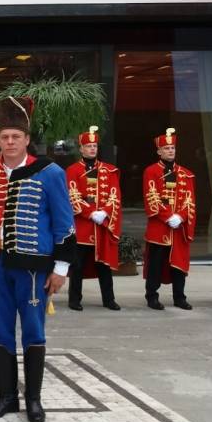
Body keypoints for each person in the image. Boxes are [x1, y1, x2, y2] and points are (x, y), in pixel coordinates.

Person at [0, 97, 76, 422]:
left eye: (16, 136)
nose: (10, 142)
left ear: (27, 139)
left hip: (34, 267)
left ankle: (33, 399)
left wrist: (61, 268)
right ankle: (6, 397)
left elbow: (64, 223)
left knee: (33, 329)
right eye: (5, 137)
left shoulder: (50, 173)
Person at [65, 126, 122, 311]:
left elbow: (114, 195)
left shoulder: (109, 170)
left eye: (94, 146)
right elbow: (72, 195)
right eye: (88, 146)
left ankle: (109, 299)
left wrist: (104, 212)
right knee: (77, 266)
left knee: (104, 266)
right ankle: (74, 299)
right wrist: (90, 213)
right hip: (82, 226)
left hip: (102, 226)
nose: (92, 149)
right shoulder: (73, 170)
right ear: (81, 149)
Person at [143, 128, 196, 311]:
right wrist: (168, 216)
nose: (170, 151)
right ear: (159, 151)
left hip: (179, 228)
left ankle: (179, 297)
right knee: (155, 265)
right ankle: (152, 296)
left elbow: (190, 199)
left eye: (172, 148)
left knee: (179, 265)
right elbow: (151, 197)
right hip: (160, 227)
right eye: (166, 148)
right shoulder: (151, 171)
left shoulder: (186, 173)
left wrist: (180, 216)